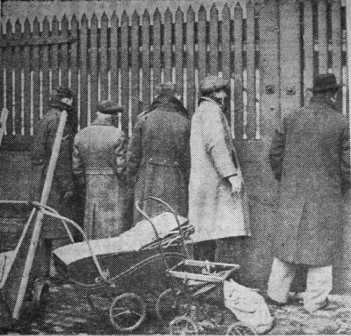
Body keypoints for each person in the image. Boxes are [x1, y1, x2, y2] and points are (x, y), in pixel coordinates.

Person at [267, 73, 350, 313]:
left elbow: (275, 154)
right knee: (321, 249)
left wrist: (288, 180)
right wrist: (338, 187)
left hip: (292, 193)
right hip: (325, 195)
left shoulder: (291, 118)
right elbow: (349, 165)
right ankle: (314, 302)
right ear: (333, 95)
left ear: (313, 94)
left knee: (287, 244)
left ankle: (276, 294)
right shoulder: (341, 122)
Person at [189, 76, 251, 262]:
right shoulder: (210, 111)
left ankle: (203, 277)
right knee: (210, 233)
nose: (225, 97)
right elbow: (216, 145)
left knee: (207, 233)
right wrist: (231, 175)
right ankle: (207, 280)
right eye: (222, 92)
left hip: (206, 182)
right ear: (217, 94)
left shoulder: (203, 111)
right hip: (213, 184)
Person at [30, 86, 78, 277]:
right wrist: (67, 185)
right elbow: (61, 156)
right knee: (58, 224)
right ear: (67, 101)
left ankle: (43, 268)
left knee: (42, 223)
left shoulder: (45, 117)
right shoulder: (61, 119)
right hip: (53, 181)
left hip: (39, 177)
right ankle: (55, 270)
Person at [127, 82, 190, 224]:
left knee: (146, 218)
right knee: (173, 218)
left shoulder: (144, 119)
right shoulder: (184, 121)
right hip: (175, 177)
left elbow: (133, 154)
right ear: (176, 97)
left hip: (148, 176)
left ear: (157, 96)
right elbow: (188, 158)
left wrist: (131, 176)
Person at [72, 100, 128, 239]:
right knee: (111, 225)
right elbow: (122, 167)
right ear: (113, 116)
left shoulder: (81, 134)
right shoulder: (118, 134)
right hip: (112, 185)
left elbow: (77, 168)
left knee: (92, 222)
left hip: (90, 184)